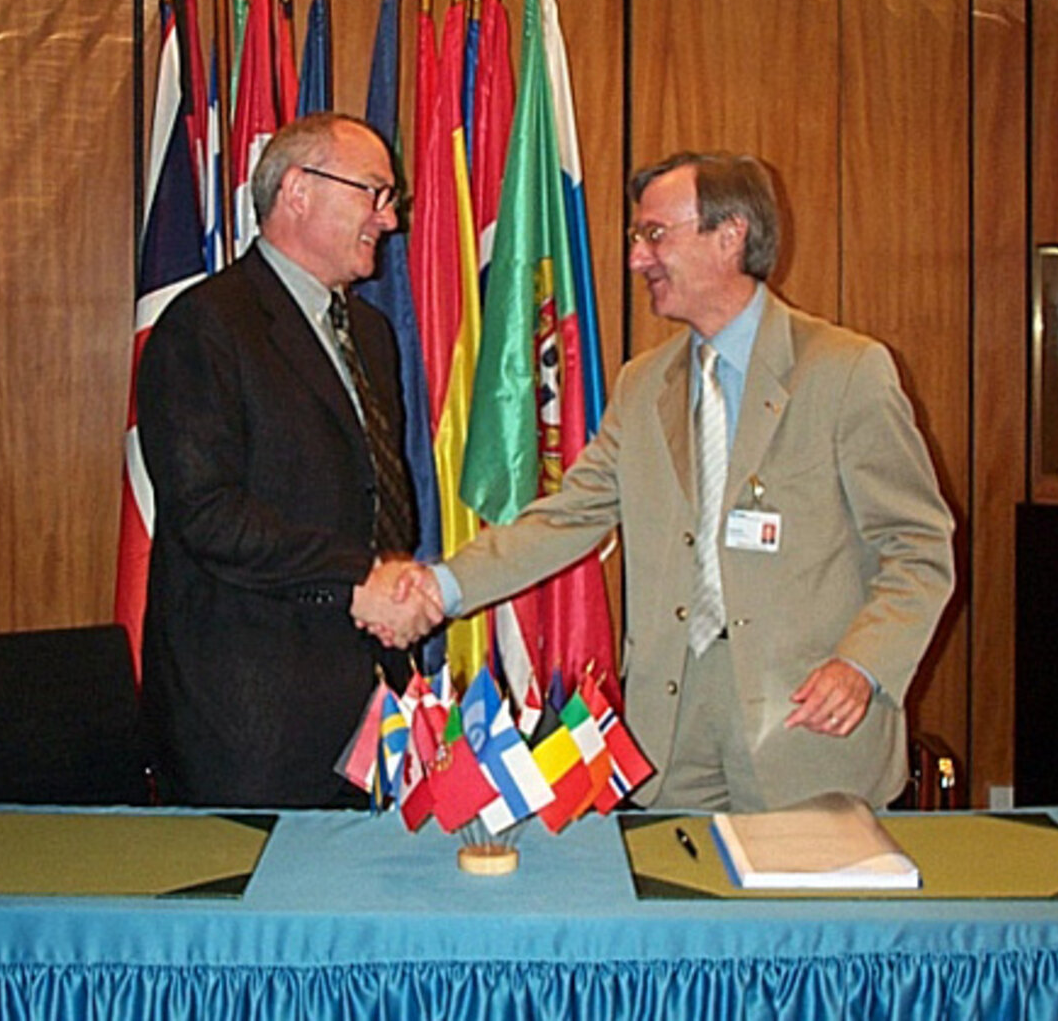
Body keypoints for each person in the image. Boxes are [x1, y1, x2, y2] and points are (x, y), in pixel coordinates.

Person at [403, 152, 955, 811]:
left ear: (731, 236)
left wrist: (862, 666)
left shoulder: (846, 371)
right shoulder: (643, 385)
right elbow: (565, 519)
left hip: (806, 730)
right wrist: (439, 588)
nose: (637, 258)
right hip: (669, 737)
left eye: (655, 234)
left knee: (801, 917)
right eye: (639, 237)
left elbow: (920, 551)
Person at [138, 113, 442, 808]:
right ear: (299, 190)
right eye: (374, 193)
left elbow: (377, 498)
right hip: (254, 720)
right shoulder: (206, 326)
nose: (388, 220)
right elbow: (208, 515)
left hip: (374, 705)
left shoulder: (370, 332)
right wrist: (357, 576)